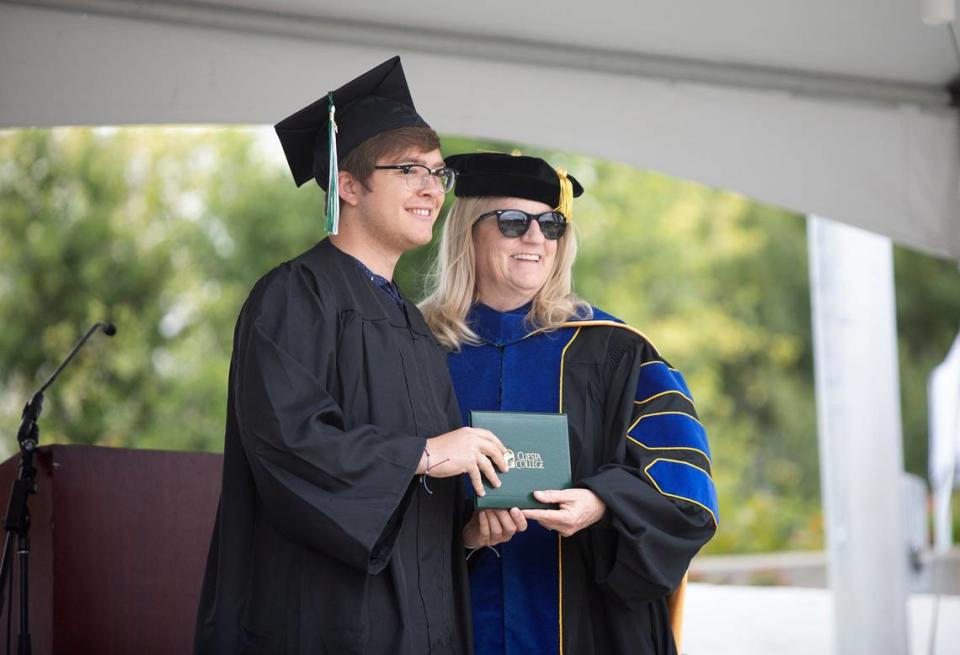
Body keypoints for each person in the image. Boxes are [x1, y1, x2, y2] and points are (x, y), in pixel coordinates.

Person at [193, 58, 509, 655]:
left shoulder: (412, 324)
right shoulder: (293, 296)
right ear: (347, 183)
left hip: (422, 626)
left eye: (439, 175)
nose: (430, 190)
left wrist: (465, 533)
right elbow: (291, 443)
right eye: (410, 170)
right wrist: (425, 452)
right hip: (324, 623)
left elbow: (422, 491)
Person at [420, 152, 719, 655]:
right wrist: (464, 537)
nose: (536, 238)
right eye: (513, 222)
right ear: (468, 232)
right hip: (454, 623)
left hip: (590, 625)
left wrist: (603, 503)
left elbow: (686, 491)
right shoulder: (415, 350)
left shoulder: (616, 351)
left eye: (552, 225)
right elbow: (377, 486)